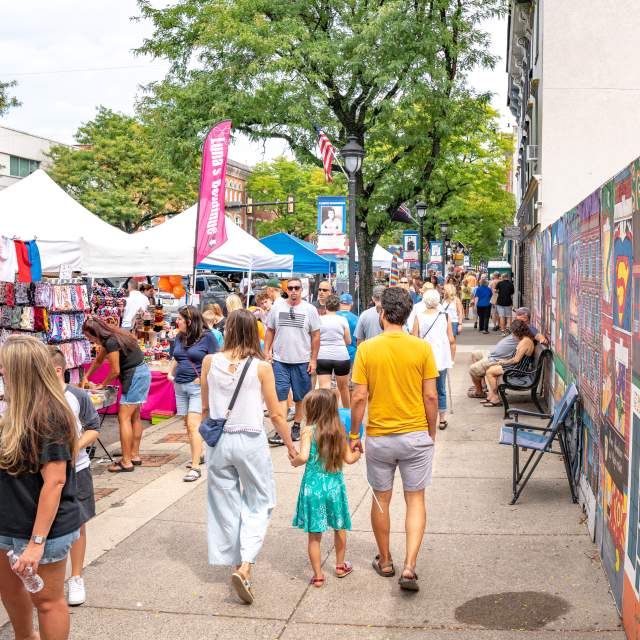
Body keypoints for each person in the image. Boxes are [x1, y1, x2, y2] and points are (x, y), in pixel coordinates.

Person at [201, 309, 297, 605]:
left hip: (218, 441)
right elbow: (277, 413)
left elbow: (204, 409)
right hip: (251, 440)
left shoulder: (209, 362)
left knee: (225, 504)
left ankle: (236, 564)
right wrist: (291, 447)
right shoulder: (261, 367)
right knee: (260, 501)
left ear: (228, 330)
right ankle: (245, 566)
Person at [350, 287, 439, 591]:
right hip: (415, 434)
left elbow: (359, 396)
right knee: (415, 499)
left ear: (382, 314)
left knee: (381, 497)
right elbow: (430, 395)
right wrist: (431, 431)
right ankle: (411, 566)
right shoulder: (422, 349)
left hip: (380, 436)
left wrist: (354, 433)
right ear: (407, 314)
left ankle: (386, 559)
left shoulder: (367, 350)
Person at [0, 335, 80, 640]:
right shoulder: (14, 409)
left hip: (42, 527)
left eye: (6, 367)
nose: (2, 372)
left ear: (19, 369)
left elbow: (55, 480)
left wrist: (36, 542)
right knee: (9, 590)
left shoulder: (50, 414)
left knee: (46, 600)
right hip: (9, 519)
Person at [291, 389, 361, 587]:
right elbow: (349, 458)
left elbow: (303, 457)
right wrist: (358, 451)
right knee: (339, 526)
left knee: (314, 534)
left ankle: (318, 575)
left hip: (313, 488)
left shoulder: (308, 431)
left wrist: (294, 461)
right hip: (334, 487)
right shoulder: (339, 430)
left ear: (313, 409)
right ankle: (340, 566)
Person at [49, 346, 100, 607]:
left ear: (57, 370)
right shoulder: (35, 396)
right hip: (45, 473)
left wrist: (76, 446)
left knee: (78, 522)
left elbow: (93, 428)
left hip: (77, 470)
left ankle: (76, 576)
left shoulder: (77, 396)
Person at [82, 316, 151, 472]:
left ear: (95, 333)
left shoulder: (111, 342)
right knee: (134, 416)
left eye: (89, 337)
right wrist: (86, 376)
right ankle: (134, 455)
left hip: (135, 376)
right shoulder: (114, 336)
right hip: (141, 373)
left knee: (124, 418)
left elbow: (115, 371)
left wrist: (102, 385)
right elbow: (98, 361)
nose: (90, 341)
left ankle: (126, 461)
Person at [264, 277, 321, 445]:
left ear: (301, 290)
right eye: (291, 288)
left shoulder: (309, 309)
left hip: (302, 360)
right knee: (281, 395)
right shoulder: (277, 307)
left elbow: (316, 336)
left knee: (300, 397)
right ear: (286, 290)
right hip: (280, 360)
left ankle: (296, 425)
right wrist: (267, 352)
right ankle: (282, 431)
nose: (294, 291)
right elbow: (270, 330)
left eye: (297, 288)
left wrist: (313, 360)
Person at [168, 306, 219, 482]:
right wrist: (170, 373)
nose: (177, 322)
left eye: (180, 319)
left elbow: (216, 360)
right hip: (180, 386)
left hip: (197, 387)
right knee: (188, 425)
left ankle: (195, 467)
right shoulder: (179, 337)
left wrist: (204, 378)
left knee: (193, 425)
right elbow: (177, 357)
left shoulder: (208, 337)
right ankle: (199, 453)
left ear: (189, 321)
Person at [412, 290, 455, 430]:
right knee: (440, 389)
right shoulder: (445, 316)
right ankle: (442, 419)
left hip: (423, 358)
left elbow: (414, 338)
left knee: (422, 389)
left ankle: (425, 417)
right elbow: (451, 339)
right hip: (440, 358)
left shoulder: (418, 316)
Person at [481, 320, 535, 406]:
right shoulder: (524, 339)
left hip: (518, 369)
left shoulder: (525, 341)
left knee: (490, 372)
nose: (512, 335)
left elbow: (516, 360)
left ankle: (495, 398)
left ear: (518, 331)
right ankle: (491, 396)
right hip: (516, 366)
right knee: (489, 369)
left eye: (513, 332)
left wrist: (503, 362)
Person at [467, 328, 529, 398]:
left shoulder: (525, 337)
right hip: (493, 355)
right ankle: (483, 386)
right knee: (474, 354)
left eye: (523, 317)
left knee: (473, 369)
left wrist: (504, 362)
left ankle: (482, 393)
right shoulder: (519, 331)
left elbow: (516, 360)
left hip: (498, 359)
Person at [317, 294, 352, 408]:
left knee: (324, 389)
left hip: (323, 356)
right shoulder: (342, 320)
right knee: (343, 388)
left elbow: (315, 338)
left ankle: (325, 416)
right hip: (341, 356)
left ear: (326, 306)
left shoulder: (319, 319)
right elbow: (348, 341)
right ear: (338, 307)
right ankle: (347, 413)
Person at [337, 293, 358, 366]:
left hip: (335, 354)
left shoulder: (333, 316)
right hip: (351, 354)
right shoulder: (357, 319)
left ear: (339, 303)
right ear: (351, 304)